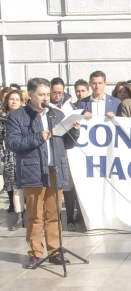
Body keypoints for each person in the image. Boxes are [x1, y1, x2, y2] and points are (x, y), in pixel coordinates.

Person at [6, 77, 81, 269]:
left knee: (54, 214)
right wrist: (37, 137)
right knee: (35, 216)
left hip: (55, 170)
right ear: (30, 95)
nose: (45, 98)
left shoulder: (55, 114)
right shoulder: (18, 116)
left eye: (48, 94)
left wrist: (75, 131)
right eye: (41, 94)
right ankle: (35, 253)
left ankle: (55, 252)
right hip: (33, 172)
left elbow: (68, 143)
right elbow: (13, 143)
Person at [0, 90, 27, 230]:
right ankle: (19, 217)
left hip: (27, 154)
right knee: (16, 189)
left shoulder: (26, 116)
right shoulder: (2, 118)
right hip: (10, 156)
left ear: (22, 101)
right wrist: (3, 156)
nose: (14, 101)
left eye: (17, 99)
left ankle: (34, 216)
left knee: (30, 187)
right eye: (11, 99)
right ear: (7, 101)